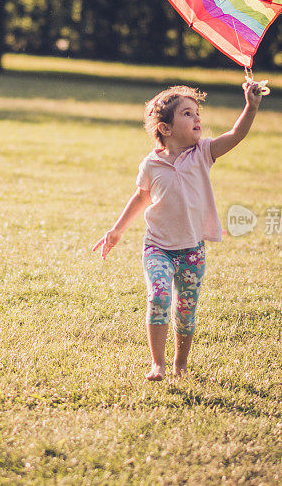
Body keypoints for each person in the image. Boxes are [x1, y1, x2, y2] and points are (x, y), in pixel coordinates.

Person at [92, 82, 263, 381]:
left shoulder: (204, 153)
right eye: (187, 113)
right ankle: (156, 364)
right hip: (157, 246)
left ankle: (180, 363)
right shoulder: (152, 164)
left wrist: (251, 106)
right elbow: (141, 197)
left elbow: (236, 135)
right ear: (166, 128)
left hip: (192, 251)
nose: (197, 119)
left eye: (197, 113)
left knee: (185, 311)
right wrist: (117, 230)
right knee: (158, 296)